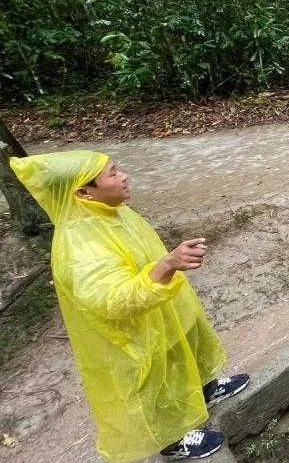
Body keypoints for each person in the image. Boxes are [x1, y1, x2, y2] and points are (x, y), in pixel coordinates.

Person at [10, 151, 250, 461]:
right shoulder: (79, 245)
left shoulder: (108, 211)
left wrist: (167, 265)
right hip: (133, 325)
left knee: (180, 346)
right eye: (112, 174)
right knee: (149, 373)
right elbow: (112, 300)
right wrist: (166, 266)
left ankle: (203, 389)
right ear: (83, 192)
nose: (123, 176)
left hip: (159, 306)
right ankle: (171, 438)